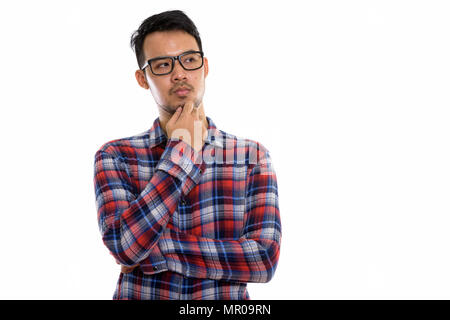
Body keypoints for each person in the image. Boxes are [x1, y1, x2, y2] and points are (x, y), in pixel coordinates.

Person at [93, 10, 281, 300]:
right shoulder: (116, 156)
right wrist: (182, 154)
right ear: (142, 79)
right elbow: (125, 246)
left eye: (189, 60)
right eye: (163, 65)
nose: (179, 73)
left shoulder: (251, 157)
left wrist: (154, 251)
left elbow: (264, 260)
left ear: (205, 67)